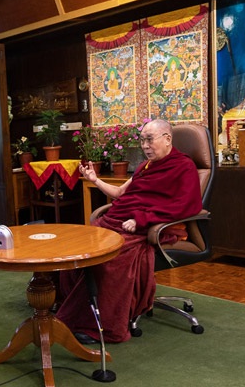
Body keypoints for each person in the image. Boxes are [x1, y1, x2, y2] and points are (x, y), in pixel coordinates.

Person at [56, 119, 202, 343]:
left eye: (149, 140)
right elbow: (119, 194)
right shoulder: (145, 166)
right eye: (142, 140)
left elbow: (186, 206)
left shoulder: (184, 166)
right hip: (115, 221)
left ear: (167, 139)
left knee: (109, 260)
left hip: (145, 227)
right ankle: (70, 305)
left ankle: (101, 326)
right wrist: (95, 180)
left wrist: (143, 219)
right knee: (78, 248)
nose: (145, 146)